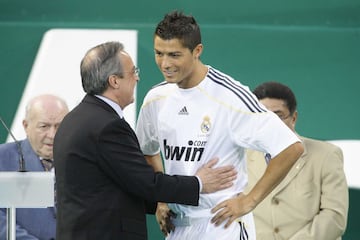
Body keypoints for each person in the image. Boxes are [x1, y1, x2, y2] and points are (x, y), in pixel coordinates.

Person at [135, 10, 304, 240]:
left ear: (197, 51)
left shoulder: (230, 96)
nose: (165, 63)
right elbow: (147, 151)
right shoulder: (156, 98)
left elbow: (291, 147)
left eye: (174, 55)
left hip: (221, 225)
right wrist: (161, 201)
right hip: (178, 227)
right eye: (159, 53)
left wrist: (248, 201)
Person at [53, 41, 238, 240]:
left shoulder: (76, 119)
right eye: (133, 72)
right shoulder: (107, 127)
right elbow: (147, 183)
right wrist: (199, 183)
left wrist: (162, 203)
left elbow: (122, 184)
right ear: (114, 81)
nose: (137, 77)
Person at [244, 81, 348, 240]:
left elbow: (334, 216)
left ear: (294, 117)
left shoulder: (327, 155)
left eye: (278, 116)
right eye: (263, 115)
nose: (271, 123)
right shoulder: (241, 157)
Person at [0, 94, 69, 239]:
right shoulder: (3, 158)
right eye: (44, 126)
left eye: (59, 126)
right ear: (26, 126)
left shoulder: (84, 160)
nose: (52, 135)